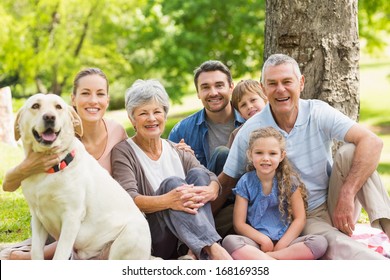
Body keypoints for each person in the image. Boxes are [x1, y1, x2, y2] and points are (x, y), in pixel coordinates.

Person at [218, 53, 390, 259]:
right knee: (333, 244)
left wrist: (347, 194)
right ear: (263, 89)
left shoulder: (317, 112)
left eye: (287, 81)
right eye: (272, 83)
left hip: (337, 202)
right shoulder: (252, 130)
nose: (280, 89)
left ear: (300, 83)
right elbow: (226, 182)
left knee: (353, 151)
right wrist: (198, 236)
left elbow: (373, 142)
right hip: (304, 215)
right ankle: (377, 266)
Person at [0, 67, 128, 260]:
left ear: (107, 100)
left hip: (96, 226)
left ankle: (26, 256)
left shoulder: (117, 131)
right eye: (85, 93)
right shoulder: (53, 142)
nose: (93, 100)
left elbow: (135, 154)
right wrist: (29, 167)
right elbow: (8, 185)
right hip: (57, 227)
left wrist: (176, 147)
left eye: (100, 94)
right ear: (73, 99)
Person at [111, 79, 232, 260]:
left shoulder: (177, 150)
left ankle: (193, 251)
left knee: (198, 175)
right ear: (132, 119)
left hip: (186, 236)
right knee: (172, 183)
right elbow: (129, 199)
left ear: (165, 116)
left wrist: (212, 190)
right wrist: (168, 200)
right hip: (156, 237)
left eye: (157, 112)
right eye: (143, 113)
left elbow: (208, 175)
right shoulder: (123, 152)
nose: (152, 118)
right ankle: (213, 249)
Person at [222, 127, 328, 260]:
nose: (266, 158)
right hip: (256, 243)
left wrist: (281, 245)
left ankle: (268, 259)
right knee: (230, 242)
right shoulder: (245, 182)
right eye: (259, 153)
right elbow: (239, 224)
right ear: (250, 154)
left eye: (272, 154)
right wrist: (263, 240)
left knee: (319, 243)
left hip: (287, 242)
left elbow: (300, 219)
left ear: (281, 156)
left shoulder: (290, 181)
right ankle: (279, 263)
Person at [168, 60, 245, 176]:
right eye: (205, 87)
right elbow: (171, 173)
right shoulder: (181, 131)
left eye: (219, 85)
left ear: (231, 88)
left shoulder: (249, 121)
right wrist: (182, 160)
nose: (213, 93)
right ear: (198, 93)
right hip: (205, 191)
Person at [227, 79, 267, 148]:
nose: (249, 106)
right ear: (240, 113)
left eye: (253, 100)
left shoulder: (279, 123)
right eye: (243, 105)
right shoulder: (238, 134)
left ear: (265, 99)